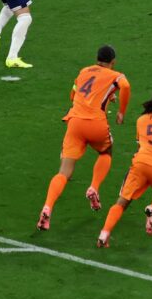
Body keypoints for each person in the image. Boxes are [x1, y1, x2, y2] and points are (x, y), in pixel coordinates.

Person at [37, 45, 131, 231]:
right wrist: (121, 111)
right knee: (106, 152)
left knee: (64, 172)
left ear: (97, 58)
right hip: (96, 123)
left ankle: (47, 207)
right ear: (112, 62)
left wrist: (103, 97)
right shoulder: (115, 75)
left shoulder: (83, 71)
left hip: (75, 123)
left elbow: (74, 94)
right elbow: (125, 86)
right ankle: (94, 187)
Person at [96, 89, 152, 247]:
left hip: (140, 164)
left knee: (122, 202)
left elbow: (139, 144)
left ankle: (104, 233)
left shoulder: (141, 120)